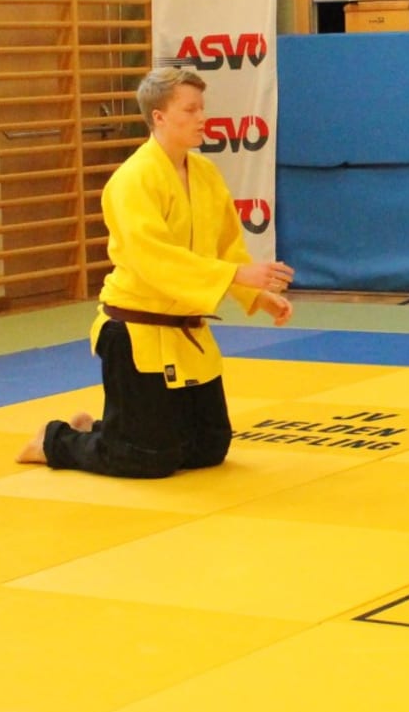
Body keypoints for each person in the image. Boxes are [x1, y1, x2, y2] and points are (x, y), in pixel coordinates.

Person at [17, 66, 294, 476]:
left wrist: (258, 295)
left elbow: (226, 245)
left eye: (202, 108)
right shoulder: (133, 180)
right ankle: (53, 440)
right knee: (145, 458)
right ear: (159, 117)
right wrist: (235, 276)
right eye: (190, 110)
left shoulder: (205, 174)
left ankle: (103, 430)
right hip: (135, 331)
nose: (202, 117)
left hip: (186, 329)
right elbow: (154, 259)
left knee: (207, 448)